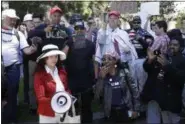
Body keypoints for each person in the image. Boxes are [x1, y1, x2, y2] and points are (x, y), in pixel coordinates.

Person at [2, 9, 37, 123]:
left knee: (12, 94)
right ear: (3, 18)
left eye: (14, 19)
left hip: (13, 68)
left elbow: (26, 50)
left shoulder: (18, 34)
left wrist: (33, 48)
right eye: (10, 19)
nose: (13, 21)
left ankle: (11, 119)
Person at [141, 36, 185, 123]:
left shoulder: (182, 60)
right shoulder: (161, 55)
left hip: (172, 100)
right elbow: (147, 69)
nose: (172, 46)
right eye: (171, 44)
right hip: (158, 98)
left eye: (175, 45)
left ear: (180, 47)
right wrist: (149, 60)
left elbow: (181, 78)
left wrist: (167, 66)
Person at [63, 18, 95, 123]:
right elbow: (62, 57)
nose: (79, 31)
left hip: (86, 80)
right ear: (74, 30)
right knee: (73, 107)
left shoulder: (90, 44)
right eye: (77, 28)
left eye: (81, 28)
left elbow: (94, 61)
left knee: (87, 106)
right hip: (72, 80)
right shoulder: (69, 42)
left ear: (85, 30)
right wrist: (68, 44)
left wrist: (95, 77)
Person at [94, 50, 140, 123]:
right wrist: (101, 79)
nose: (106, 61)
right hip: (111, 112)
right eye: (104, 59)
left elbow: (134, 92)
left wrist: (136, 109)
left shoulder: (124, 72)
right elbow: (97, 97)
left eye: (109, 59)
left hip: (126, 110)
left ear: (115, 61)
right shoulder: (102, 76)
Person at [94, 10, 138, 80]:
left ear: (118, 21)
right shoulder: (102, 32)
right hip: (107, 65)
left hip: (122, 65)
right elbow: (100, 43)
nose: (113, 20)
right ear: (108, 20)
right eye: (111, 18)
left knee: (123, 86)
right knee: (107, 87)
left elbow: (130, 50)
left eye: (115, 18)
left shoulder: (123, 33)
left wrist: (126, 49)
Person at [34, 44, 71, 123]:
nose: (54, 59)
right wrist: (57, 101)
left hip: (63, 110)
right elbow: (40, 98)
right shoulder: (39, 75)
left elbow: (66, 89)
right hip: (48, 114)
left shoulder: (62, 72)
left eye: (56, 56)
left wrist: (68, 96)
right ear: (44, 59)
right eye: (51, 57)